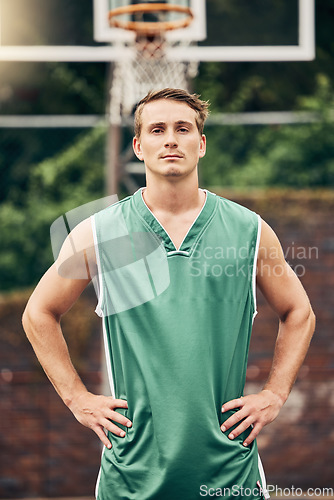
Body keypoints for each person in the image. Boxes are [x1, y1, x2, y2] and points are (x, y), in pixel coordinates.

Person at [22, 88, 315, 500]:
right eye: (157, 130)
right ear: (139, 147)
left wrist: (274, 394)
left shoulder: (250, 230)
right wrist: (77, 398)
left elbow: (299, 311)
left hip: (229, 473)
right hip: (132, 474)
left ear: (202, 143)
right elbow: (38, 313)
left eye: (183, 128)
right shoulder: (101, 232)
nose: (171, 139)